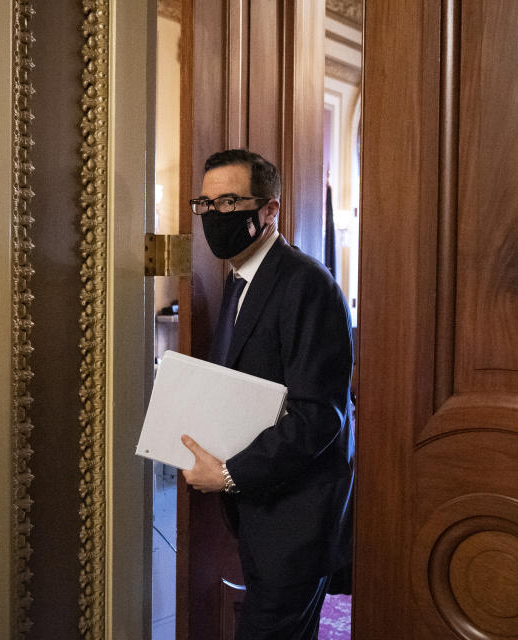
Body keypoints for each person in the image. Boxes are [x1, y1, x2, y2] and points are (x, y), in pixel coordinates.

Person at [181, 149, 354, 640]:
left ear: (269, 210)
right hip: (258, 510)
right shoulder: (239, 280)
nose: (216, 216)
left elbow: (319, 417)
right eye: (206, 205)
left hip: (298, 518)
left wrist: (231, 473)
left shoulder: (307, 285)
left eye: (230, 202)